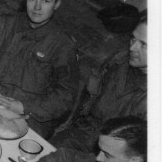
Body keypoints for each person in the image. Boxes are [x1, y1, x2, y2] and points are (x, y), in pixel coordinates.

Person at [0, 0, 79, 138]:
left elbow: (65, 96)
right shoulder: (3, 24)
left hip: (29, 113)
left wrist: (25, 107)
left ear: (57, 5)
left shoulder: (63, 45)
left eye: (46, 1)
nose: (37, 7)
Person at [51, 14, 147, 152]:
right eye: (133, 39)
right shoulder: (118, 60)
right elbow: (89, 95)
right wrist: (66, 126)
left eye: (143, 44)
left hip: (119, 153)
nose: (132, 47)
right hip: (85, 133)